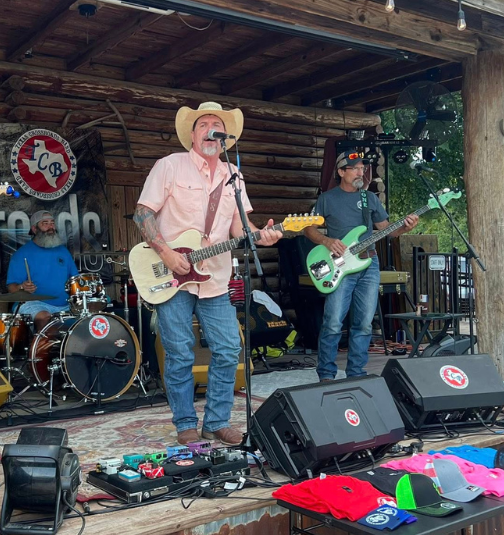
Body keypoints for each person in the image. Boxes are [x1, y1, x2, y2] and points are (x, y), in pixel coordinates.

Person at [135, 101, 281, 446]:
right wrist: (166, 253)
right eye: (203, 124)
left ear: (226, 138)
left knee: (229, 349)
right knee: (180, 352)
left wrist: (263, 235)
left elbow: (239, 228)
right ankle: (185, 422)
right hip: (172, 276)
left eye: (217, 126)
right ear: (192, 135)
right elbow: (143, 213)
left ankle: (216, 421)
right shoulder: (170, 165)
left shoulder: (234, 175)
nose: (211, 130)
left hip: (214, 277)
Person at [303, 150, 418, 381]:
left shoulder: (369, 198)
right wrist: (327, 241)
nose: (360, 172)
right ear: (341, 172)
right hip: (340, 265)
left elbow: (388, 230)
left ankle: (356, 373)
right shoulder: (327, 199)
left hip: (369, 263)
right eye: (355, 168)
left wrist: (405, 227)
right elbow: (308, 229)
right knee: (333, 322)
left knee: (364, 324)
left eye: (362, 168)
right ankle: (326, 374)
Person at [6, 210, 77, 330]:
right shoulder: (22, 254)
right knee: (44, 317)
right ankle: (40, 342)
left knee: (89, 314)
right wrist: (21, 287)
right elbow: (11, 287)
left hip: (66, 305)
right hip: (35, 303)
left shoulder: (63, 251)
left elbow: (75, 279)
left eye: (52, 223)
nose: (51, 227)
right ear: (34, 229)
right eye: (45, 223)